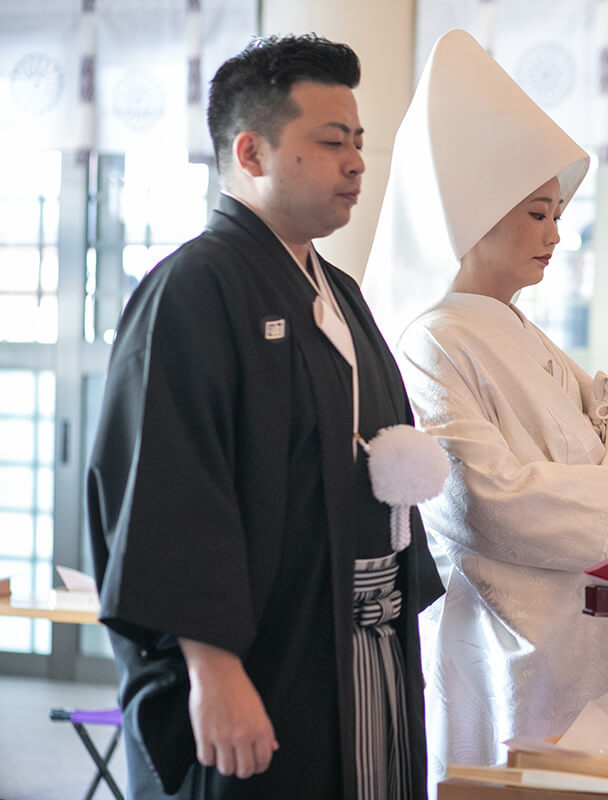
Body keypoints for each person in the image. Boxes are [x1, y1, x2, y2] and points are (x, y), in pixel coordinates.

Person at [362, 30, 608, 789]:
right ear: (474, 219)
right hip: (506, 630)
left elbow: (596, 465)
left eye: (556, 212)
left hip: (581, 623)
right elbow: (474, 498)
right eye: (538, 213)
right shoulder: (432, 340)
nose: (556, 233)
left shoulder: (525, 334)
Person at [87, 35, 442, 800]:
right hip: (266, 654)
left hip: (363, 643)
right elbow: (170, 492)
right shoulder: (192, 289)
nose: (356, 163)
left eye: (359, 143)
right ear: (251, 152)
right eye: (331, 141)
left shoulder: (338, 291)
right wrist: (212, 669)